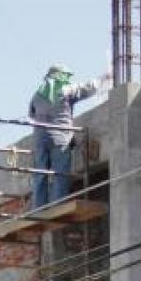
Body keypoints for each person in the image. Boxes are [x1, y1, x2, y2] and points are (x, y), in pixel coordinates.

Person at [29, 65, 101, 210]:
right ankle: (57, 205)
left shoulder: (37, 94)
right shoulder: (65, 90)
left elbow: (31, 114)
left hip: (40, 138)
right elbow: (86, 89)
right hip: (60, 137)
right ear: (61, 76)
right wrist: (102, 79)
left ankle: (38, 207)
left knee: (40, 173)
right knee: (60, 173)